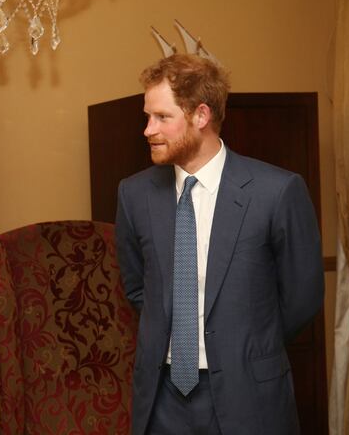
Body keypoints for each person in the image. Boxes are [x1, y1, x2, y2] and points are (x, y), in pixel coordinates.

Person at [115, 54, 324, 434]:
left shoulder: (276, 191)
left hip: (249, 394)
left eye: (162, 117)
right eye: (147, 116)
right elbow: (137, 287)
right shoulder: (134, 194)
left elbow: (302, 297)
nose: (148, 129)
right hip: (161, 397)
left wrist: (248, 341)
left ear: (201, 115)